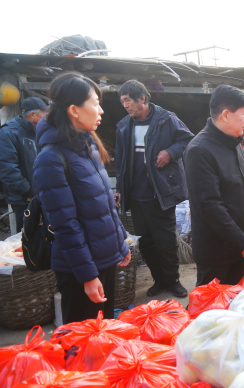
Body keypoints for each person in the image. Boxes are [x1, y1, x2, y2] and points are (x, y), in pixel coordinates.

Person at [32, 72, 131, 324]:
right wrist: (87, 276)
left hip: (103, 257)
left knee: (103, 332)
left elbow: (105, 204)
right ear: (74, 110)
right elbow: (65, 224)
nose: (101, 110)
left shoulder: (89, 147)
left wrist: (120, 243)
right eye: (95, 103)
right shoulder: (50, 159)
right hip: (80, 268)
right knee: (81, 342)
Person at [184, 84, 244, 285]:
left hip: (240, 245)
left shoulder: (234, 143)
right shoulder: (200, 151)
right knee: (211, 310)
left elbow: (241, 184)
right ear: (225, 115)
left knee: (238, 309)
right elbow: (209, 206)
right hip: (217, 252)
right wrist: (243, 244)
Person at [114, 80, 194, 298]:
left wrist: (170, 152)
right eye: (122, 101)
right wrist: (119, 188)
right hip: (136, 194)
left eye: (128, 100)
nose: (125, 105)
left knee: (166, 241)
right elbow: (120, 161)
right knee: (146, 242)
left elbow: (187, 140)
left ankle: (173, 280)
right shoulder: (123, 126)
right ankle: (158, 280)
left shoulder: (166, 119)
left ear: (142, 98)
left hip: (161, 192)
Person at [0, 97, 48, 232]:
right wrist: (30, 189)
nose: (47, 120)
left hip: (43, 195)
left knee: (45, 238)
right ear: (33, 115)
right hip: (24, 199)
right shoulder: (8, 132)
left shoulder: (39, 131)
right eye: (44, 115)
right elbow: (7, 169)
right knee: (28, 238)